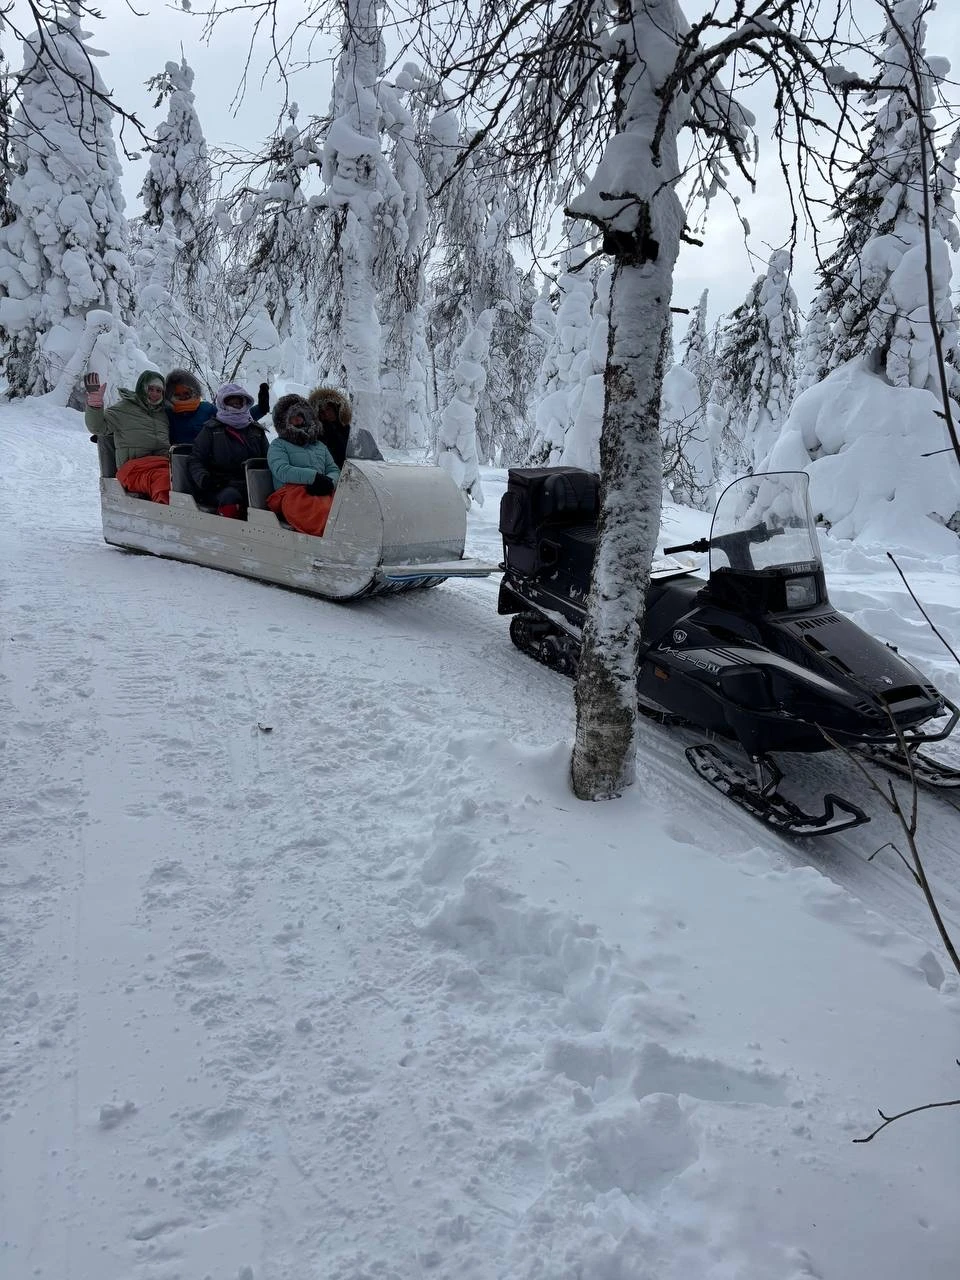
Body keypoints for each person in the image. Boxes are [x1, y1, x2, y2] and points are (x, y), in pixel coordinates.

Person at [84, 370, 171, 504]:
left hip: (161, 465)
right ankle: (166, 514)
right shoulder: (124, 408)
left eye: (158, 391)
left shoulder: (163, 414)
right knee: (165, 480)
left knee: (181, 478)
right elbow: (98, 427)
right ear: (142, 388)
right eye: (151, 389)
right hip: (133, 470)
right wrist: (95, 404)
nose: (154, 394)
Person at [187, 382, 269, 519]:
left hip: (252, 484)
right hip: (220, 485)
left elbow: (269, 460)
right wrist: (205, 479)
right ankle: (228, 530)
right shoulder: (212, 430)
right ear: (223, 404)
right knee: (231, 497)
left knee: (271, 498)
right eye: (231, 402)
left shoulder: (256, 431)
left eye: (239, 402)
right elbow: (195, 459)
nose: (236, 405)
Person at [266, 395, 341, 536]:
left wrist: (330, 482)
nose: (298, 420)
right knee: (325, 515)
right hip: (294, 495)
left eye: (300, 416)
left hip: (323, 490)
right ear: (284, 421)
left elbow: (333, 469)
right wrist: (314, 478)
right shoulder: (278, 445)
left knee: (346, 510)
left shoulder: (319, 446)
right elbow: (282, 470)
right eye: (292, 417)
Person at [165, 368, 271, 446]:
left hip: (206, 460)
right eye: (177, 394)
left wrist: (260, 409)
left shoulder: (206, 409)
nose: (183, 397)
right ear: (170, 395)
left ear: (194, 391)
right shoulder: (168, 413)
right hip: (177, 462)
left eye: (186, 393)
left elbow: (232, 418)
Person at [306, 386, 383, 469]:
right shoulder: (315, 437)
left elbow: (380, 464)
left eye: (328, 409)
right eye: (321, 411)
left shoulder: (361, 435)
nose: (326, 414)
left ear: (337, 409)